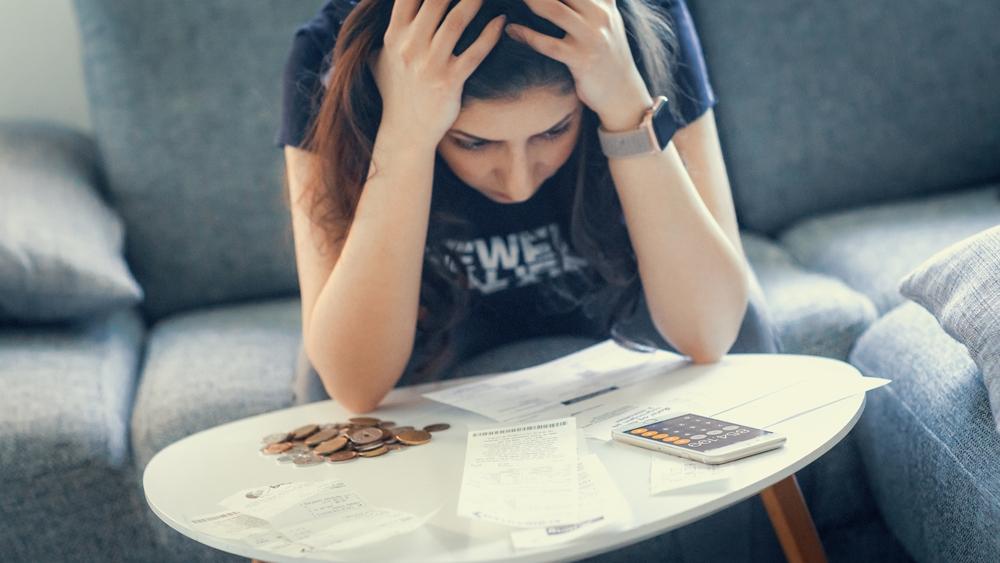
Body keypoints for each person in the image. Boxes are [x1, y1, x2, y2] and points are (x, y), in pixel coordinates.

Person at [276, 0, 780, 414]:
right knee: (326, 370)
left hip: (626, 299)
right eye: (473, 143)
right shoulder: (332, 56)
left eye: (555, 130)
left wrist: (626, 106)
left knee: (742, 309)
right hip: (428, 335)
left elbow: (712, 330)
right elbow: (352, 383)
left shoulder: (647, 22)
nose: (518, 183)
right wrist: (405, 134)